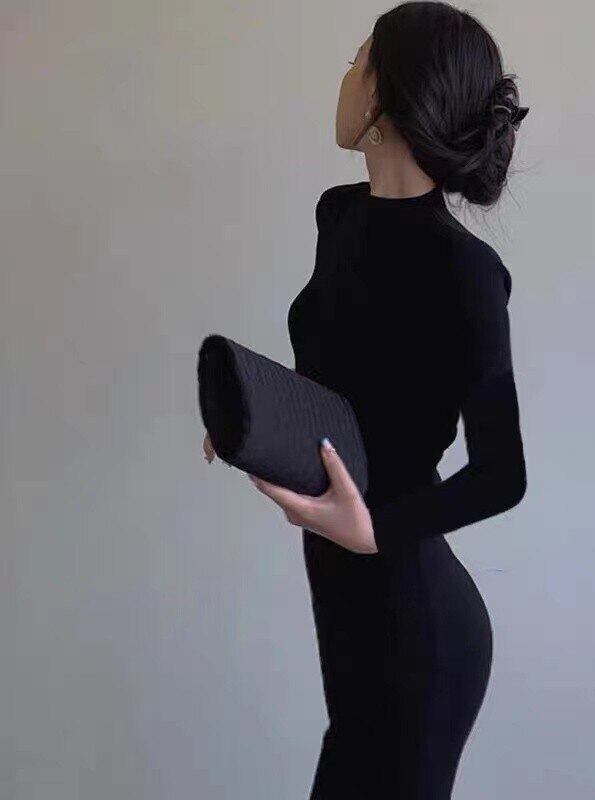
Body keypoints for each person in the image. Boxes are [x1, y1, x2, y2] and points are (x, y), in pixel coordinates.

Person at [205, 2, 528, 796]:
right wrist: (255, 417)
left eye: (356, 61)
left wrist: (373, 529)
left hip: (416, 630)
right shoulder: (340, 215)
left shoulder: (467, 274)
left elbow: (502, 473)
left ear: (385, 97)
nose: (344, 78)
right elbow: (347, 381)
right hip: (348, 614)